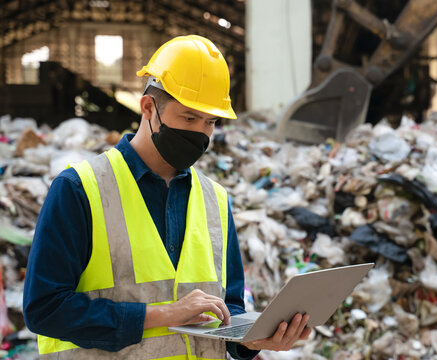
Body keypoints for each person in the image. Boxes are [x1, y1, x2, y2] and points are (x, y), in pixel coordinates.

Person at [23, 35, 311, 359]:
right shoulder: (79, 190)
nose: (200, 133)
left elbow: (227, 309)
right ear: (148, 107)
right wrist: (164, 315)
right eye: (189, 117)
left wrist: (249, 340)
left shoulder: (216, 200)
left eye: (211, 121)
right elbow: (45, 309)